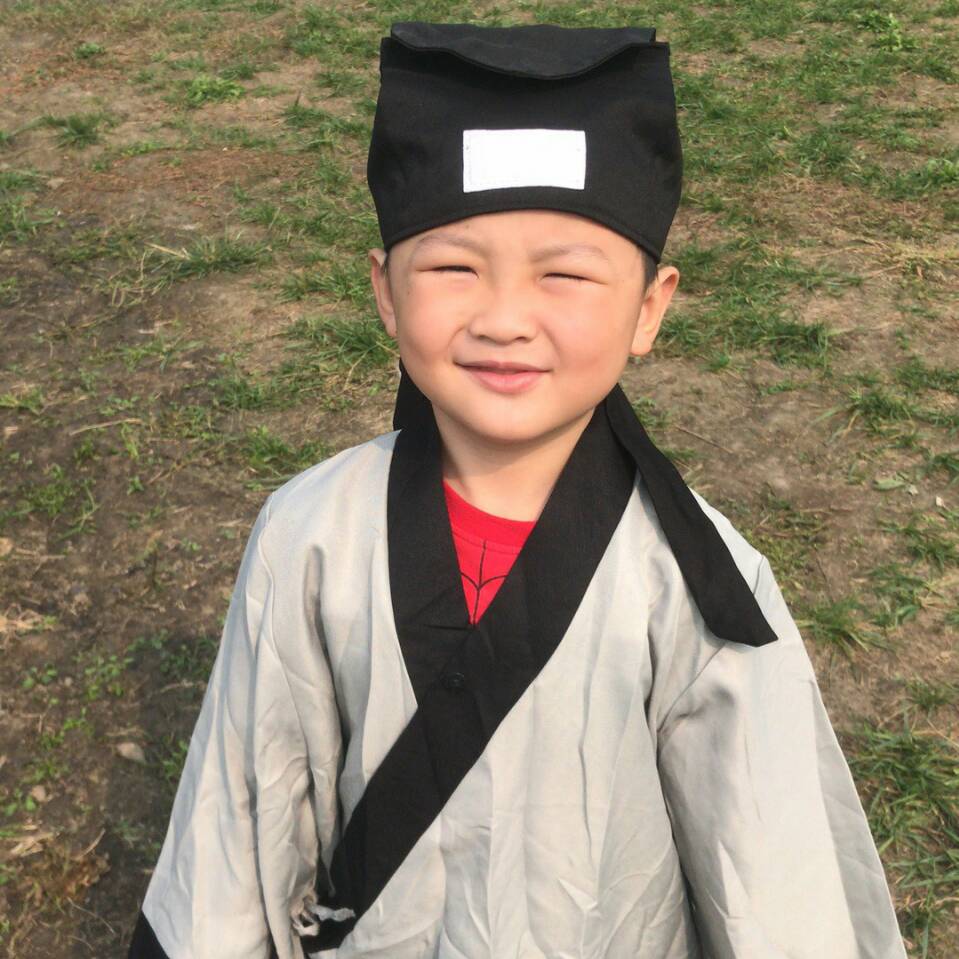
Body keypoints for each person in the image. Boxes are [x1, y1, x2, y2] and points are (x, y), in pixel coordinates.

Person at [128, 21, 909, 959]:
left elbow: (772, 882)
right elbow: (237, 821)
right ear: (386, 293)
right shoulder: (309, 535)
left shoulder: (698, 585)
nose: (504, 318)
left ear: (648, 308)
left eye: (565, 275)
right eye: (453, 268)